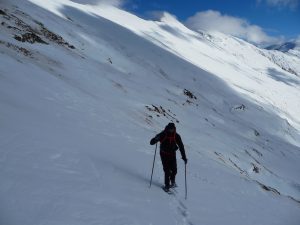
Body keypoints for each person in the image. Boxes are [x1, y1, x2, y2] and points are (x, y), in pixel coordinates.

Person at [150, 123, 187, 191]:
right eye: (170, 129)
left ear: (174, 129)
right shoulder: (163, 134)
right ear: (167, 128)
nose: (171, 130)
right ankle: (167, 185)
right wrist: (155, 139)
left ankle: (172, 181)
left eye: (172, 129)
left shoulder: (176, 136)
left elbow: (181, 146)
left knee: (174, 170)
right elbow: (151, 143)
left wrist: (184, 157)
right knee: (167, 170)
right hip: (164, 154)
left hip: (172, 154)